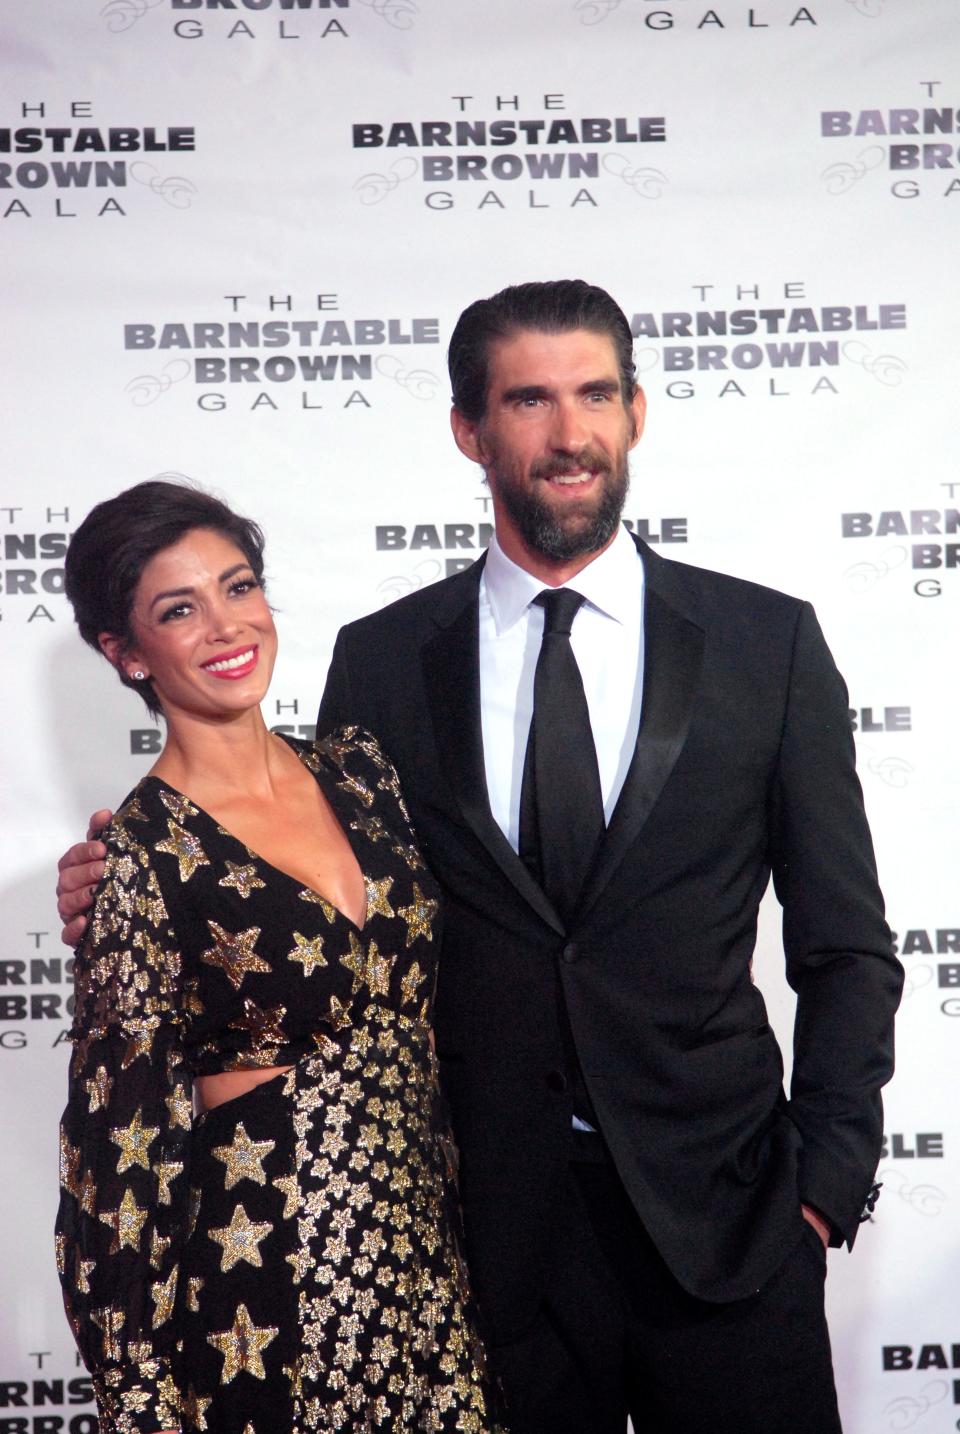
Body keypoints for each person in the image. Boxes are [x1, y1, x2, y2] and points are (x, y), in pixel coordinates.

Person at [58, 281, 904, 1434]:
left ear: (638, 411)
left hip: (732, 1224)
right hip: (484, 1253)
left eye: (596, 394)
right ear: (470, 429)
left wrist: (824, 1184)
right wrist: (128, 879)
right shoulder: (385, 663)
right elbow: (296, 869)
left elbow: (847, 942)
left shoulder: (771, 646)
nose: (569, 434)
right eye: (530, 400)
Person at [54, 481, 504, 1434]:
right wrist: (143, 1408)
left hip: (427, 1268)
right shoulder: (138, 858)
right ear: (126, 652)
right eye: (180, 609)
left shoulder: (360, 771)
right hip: (268, 1288)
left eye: (239, 587)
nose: (227, 627)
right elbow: (116, 1164)